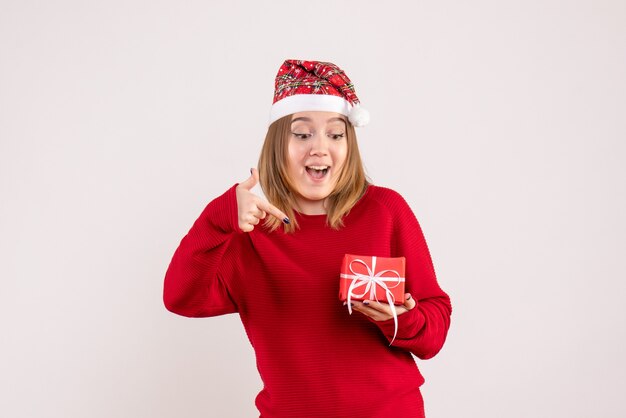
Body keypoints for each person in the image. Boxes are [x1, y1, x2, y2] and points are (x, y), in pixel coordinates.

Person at [163, 59, 452, 418]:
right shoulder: (250, 235)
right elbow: (180, 298)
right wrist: (218, 219)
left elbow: (434, 333)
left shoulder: (385, 210)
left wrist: (402, 319)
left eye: (336, 134)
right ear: (277, 146)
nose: (319, 147)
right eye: (302, 134)